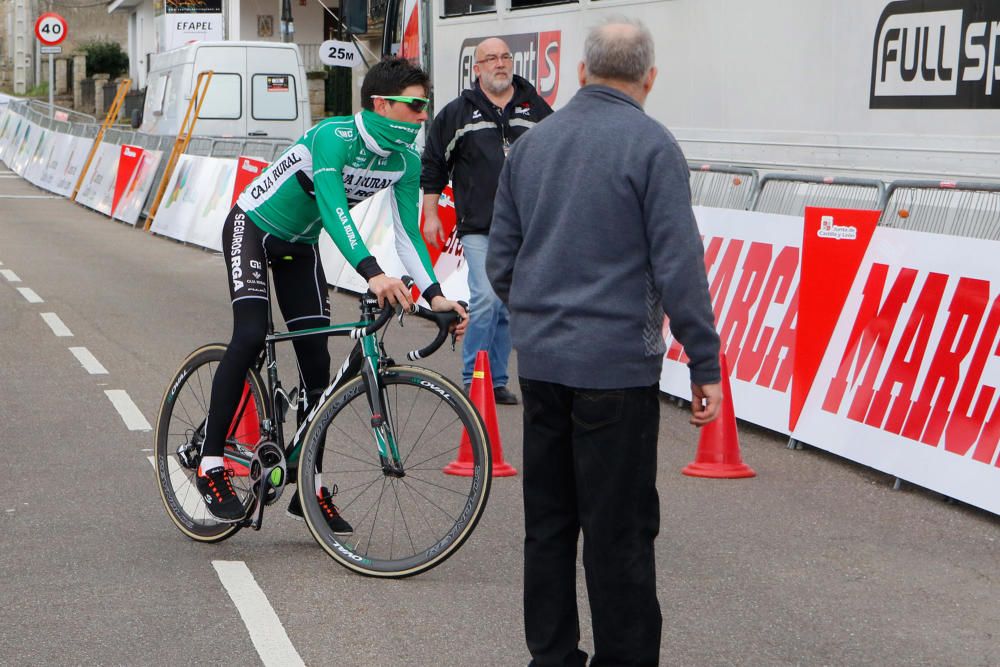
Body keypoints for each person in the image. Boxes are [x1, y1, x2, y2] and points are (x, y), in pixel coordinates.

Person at [487, 18, 723, 666]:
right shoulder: (651, 146)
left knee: (549, 524)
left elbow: (500, 259)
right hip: (617, 369)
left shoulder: (533, 147)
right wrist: (704, 360)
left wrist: (536, 318)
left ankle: (553, 654)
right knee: (619, 532)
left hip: (542, 364)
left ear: (582, 73)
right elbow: (679, 263)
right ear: (649, 78)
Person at [196, 57, 467, 528]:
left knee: (317, 364)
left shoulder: (403, 161)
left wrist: (436, 294)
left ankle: (310, 484)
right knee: (251, 335)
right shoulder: (333, 137)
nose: (424, 115)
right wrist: (372, 273)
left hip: (299, 245)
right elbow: (334, 208)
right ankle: (210, 462)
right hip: (253, 228)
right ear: (383, 104)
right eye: (415, 105)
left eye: (427, 105)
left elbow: (407, 234)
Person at [421, 36, 552, 405]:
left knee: (510, 303)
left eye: (505, 57)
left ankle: (496, 380)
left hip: (525, 227)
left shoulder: (535, 109)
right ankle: (472, 378)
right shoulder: (457, 113)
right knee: (487, 299)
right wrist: (430, 214)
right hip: (478, 226)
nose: (500, 63)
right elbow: (433, 165)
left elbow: (557, 156)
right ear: (476, 69)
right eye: (490, 58)